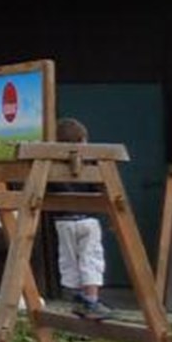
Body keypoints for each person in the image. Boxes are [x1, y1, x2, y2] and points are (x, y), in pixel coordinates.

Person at [53, 117, 113, 319]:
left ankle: (76, 298)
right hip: (87, 217)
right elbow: (101, 187)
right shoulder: (89, 162)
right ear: (82, 140)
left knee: (68, 258)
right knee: (91, 257)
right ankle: (91, 299)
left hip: (63, 220)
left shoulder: (54, 164)